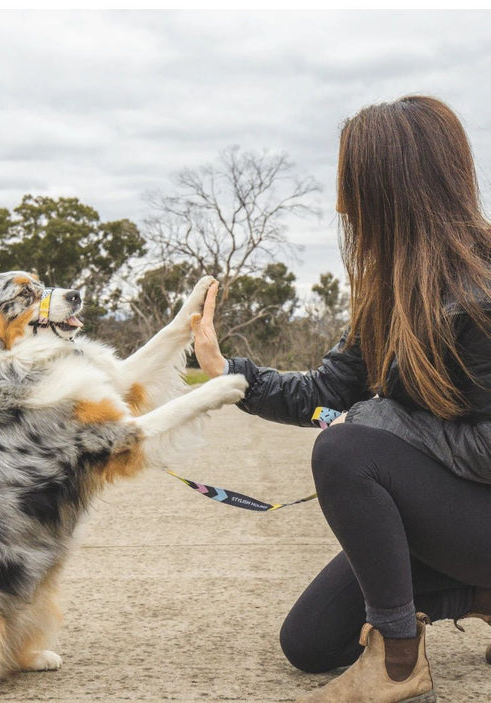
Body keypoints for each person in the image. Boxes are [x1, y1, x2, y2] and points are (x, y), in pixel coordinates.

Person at [190, 95, 491, 703]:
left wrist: (380, 427)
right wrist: (230, 373)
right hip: (456, 523)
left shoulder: (483, 290)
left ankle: (399, 666)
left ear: (393, 188)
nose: (340, 203)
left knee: (347, 449)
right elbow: (327, 392)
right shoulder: (394, 287)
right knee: (310, 642)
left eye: (350, 184)